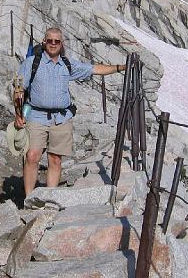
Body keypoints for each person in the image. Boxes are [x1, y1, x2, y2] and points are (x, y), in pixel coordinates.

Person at [14, 27, 126, 197]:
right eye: (49, 40)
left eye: (56, 41)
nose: (53, 44)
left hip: (62, 118)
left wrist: (121, 67)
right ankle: (29, 199)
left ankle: (50, 199)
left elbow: (95, 69)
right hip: (36, 116)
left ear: (62, 43)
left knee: (55, 159)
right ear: (44, 42)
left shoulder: (68, 64)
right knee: (32, 156)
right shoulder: (31, 63)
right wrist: (18, 115)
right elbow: (19, 89)